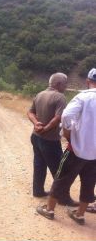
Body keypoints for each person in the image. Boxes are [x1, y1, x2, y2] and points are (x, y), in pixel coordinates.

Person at [36, 68, 96, 225]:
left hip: (76, 149)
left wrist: (69, 135)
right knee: (89, 182)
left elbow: (66, 116)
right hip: (94, 153)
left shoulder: (83, 97)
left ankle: (49, 210)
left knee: (62, 178)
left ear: (88, 81)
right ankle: (80, 214)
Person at [27, 72, 78, 206]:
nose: (66, 87)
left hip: (36, 137)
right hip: (50, 140)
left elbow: (30, 112)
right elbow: (58, 117)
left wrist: (36, 124)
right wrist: (46, 128)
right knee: (60, 170)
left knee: (39, 165)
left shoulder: (40, 94)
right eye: (65, 84)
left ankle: (38, 191)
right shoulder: (60, 97)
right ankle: (63, 198)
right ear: (59, 84)